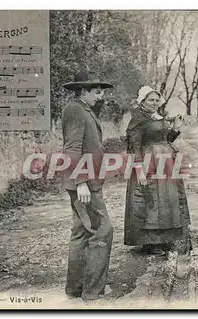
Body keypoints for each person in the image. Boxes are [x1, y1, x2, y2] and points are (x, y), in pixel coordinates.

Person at [61, 71, 114, 301]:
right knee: (103, 230)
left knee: (82, 232)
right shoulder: (76, 110)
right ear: (82, 91)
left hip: (88, 180)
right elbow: (72, 148)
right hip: (84, 182)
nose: (100, 95)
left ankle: (75, 288)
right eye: (96, 91)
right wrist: (81, 181)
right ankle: (93, 290)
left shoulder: (84, 108)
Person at [124, 85, 191, 256]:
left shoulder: (157, 116)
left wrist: (176, 128)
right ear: (142, 101)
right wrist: (139, 168)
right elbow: (134, 146)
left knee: (166, 200)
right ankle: (150, 243)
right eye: (151, 100)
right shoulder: (137, 119)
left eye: (156, 100)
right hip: (149, 163)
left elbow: (166, 139)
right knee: (151, 200)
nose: (154, 103)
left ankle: (165, 239)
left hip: (165, 163)